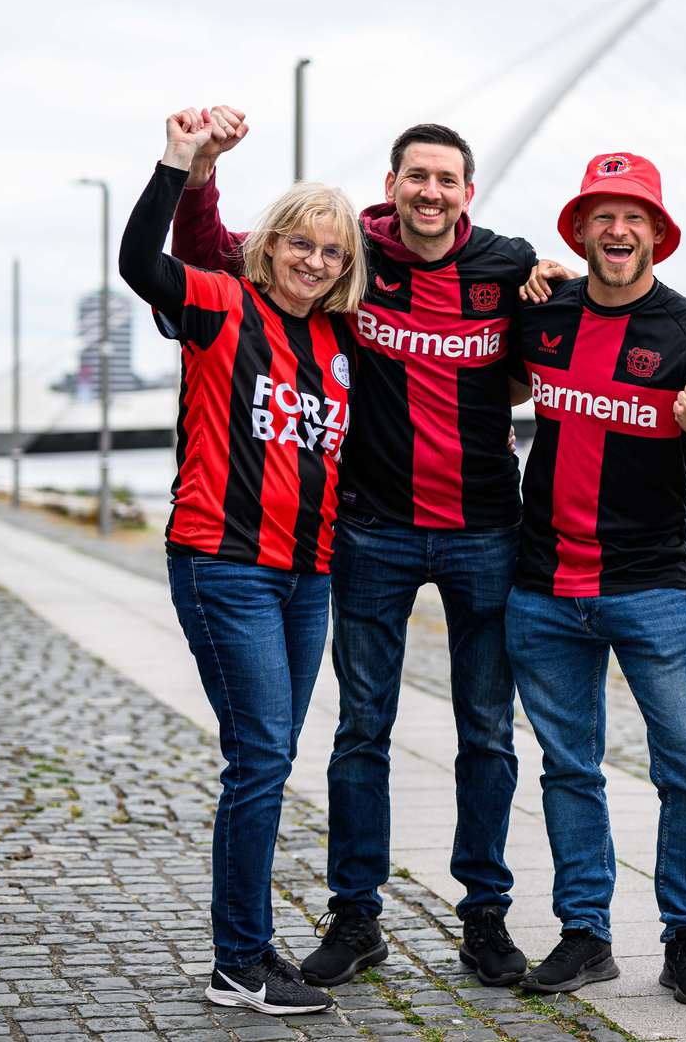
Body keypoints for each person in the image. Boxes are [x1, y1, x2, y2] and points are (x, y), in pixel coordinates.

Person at [172, 110, 571, 988]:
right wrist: (198, 174)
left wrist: (561, 278)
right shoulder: (349, 251)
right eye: (415, 177)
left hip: (483, 532)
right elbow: (215, 253)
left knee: (487, 735)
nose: (431, 192)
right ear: (391, 187)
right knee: (362, 732)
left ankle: (485, 918)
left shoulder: (506, 264)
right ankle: (356, 919)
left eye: (448, 180)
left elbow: (577, 339)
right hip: (370, 534)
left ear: (470, 192)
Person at [119, 107, 367, 1017]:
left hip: (310, 578)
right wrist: (179, 165)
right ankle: (239, 960)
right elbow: (141, 264)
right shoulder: (221, 306)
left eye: (332, 252)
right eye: (299, 244)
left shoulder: (339, 344)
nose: (315, 261)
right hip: (225, 566)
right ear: (268, 247)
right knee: (260, 755)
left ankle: (246, 949)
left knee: (265, 756)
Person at [505, 153, 686, 1004]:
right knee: (569, 768)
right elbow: (488, 386)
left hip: (649, 592)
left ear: (657, 233)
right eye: (602, 215)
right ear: (580, 231)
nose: (617, 230)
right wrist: (529, 278)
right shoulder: (544, 316)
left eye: (633, 215)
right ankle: (584, 936)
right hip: (541, 590)